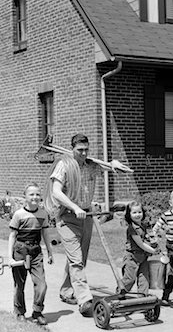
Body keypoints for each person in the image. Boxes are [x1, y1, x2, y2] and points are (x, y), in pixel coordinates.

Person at [44, 133, 129, 317]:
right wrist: (74, 207)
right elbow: (56, 192)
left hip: (86, 215)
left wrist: (113, 164)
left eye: (85, 150)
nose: (83, 153)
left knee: (78, 259)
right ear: (72, 149)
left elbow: (107, 167)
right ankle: (85, 301)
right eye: (79, 150)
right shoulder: (64, 165)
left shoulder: (91, 165)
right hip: (67, 217)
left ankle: (67, 291)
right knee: (76, 260)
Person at [8, 183, 53, 325]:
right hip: (20, 251)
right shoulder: (19, 215)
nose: (35, 197)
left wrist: (50, 252)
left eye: (37, 194)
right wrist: (10, 257)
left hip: (35, 252)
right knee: (19, 285)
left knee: (42, 285)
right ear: (24, 197)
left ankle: (37, 311)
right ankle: (20, 311)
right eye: (31, 194)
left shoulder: (43, 214)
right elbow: (12, 236)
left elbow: (45, 233)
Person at [120, 201, 159, 296]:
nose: (137, 215)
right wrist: (153, 251)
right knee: (130, 279)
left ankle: (143, 297)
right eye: (134, 212)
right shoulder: (131, 228)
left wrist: (155, 242)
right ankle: (120, 293)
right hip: (132, 257)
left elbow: (149, 237)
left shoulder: (144, 225)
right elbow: (140, 244)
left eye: (139, 212)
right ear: (129, 214)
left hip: (143, 257)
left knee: (144, 278)